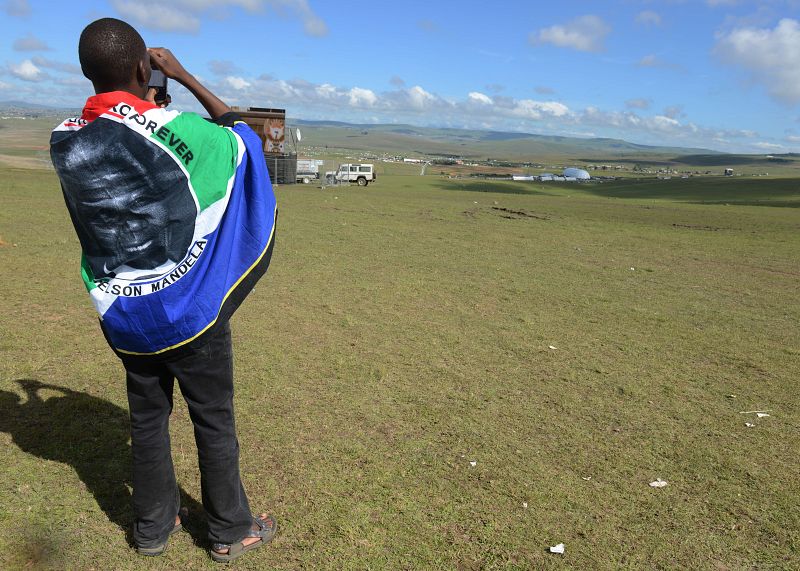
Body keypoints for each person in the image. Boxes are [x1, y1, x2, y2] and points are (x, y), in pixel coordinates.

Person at [49, 18, 278, 563]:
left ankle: (152, 528)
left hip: (125, 312)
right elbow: (242, 137)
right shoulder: (180, 130)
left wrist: (145, 100)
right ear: (142, 67)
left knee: (147, 420)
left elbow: (128, 141)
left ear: (87, 72)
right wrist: (183, 74)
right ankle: (230, 529)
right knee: (212, 418)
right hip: (187, 312)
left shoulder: (66, 137)